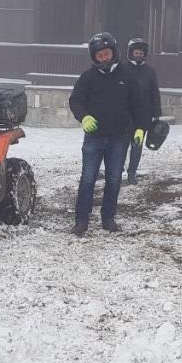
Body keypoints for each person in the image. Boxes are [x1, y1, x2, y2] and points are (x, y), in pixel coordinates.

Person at [68, 33, 147, 235]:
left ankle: (108, 217)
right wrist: (83, 116)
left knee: (114, 178)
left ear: (114, 52)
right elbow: (76, 100)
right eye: (99, 56)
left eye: (106, 54)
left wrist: (140, 127)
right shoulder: (88, 77)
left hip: (119, 138)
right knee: (88, 178)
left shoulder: (127, 76)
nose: (103, 58)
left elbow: (139, 105)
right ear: (94, 58)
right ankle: (82, 220)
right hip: (94, 138)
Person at [124, 38, 161, 185]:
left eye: (141, 53)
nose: (138, 55)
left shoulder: (150, 71)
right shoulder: (123, 69)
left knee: (136, 146)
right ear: (131, 54)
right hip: (126, 115)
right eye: (136, 52)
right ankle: (116, 170)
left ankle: (132, 173)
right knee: (121, 145)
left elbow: (154, 93)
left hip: (143, 116)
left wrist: (156, 113)